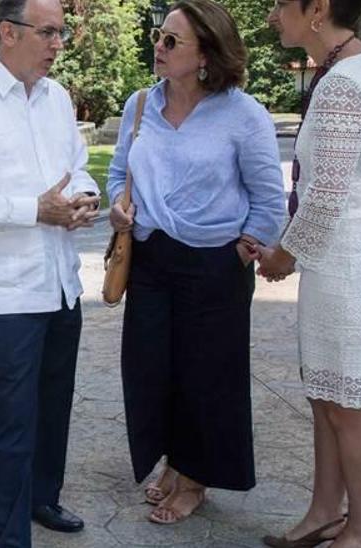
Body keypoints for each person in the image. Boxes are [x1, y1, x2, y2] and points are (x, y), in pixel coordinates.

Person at [107, 0, 285, 525]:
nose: (157, 47)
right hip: (151, 259)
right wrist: (119, 205)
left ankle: (195, 478)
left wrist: (245, 245)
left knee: (207, 376)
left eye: (171, 41)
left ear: (205, 53)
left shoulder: (243, 115)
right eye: (158, 36)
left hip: (214, 266)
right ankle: (172, 461)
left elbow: (269, 197)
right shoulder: (140, 105)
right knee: (152, 370)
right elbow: (120, 172)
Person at [0, 0, 101, 544]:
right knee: (12, 420)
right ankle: (7, 538)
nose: (58, 43)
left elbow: (77, 166)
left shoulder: (55, 99)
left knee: (54, 404)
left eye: (61, 32)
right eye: (48, 32)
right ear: (8, 32)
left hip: (60, 281)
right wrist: (35, 210)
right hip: (5, 292)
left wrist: (84, 199)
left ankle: (42, 498)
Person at [253, 0, 361, 546]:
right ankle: (324, 511)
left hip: (352, 266)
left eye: (279, 4)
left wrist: (281, 257)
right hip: (346, 260)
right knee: (327, 397)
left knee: (348, 405)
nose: (273, 15)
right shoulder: (358, 69)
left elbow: (324, 198)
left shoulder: (345, 83)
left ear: (317, 9)